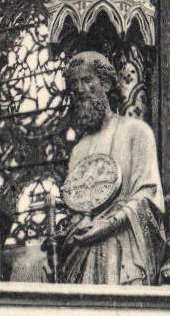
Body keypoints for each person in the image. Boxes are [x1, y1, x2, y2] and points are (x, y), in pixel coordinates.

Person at [58, 51, 164, 286]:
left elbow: (148, 197)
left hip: (123, 247)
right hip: (83, 253)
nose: (80, 90)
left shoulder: (136, 132)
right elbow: (76, 202)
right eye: (74, 84)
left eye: (87, 81)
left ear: (105, 84)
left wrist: (109, 223)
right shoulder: (78, 150)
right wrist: (75, 228)